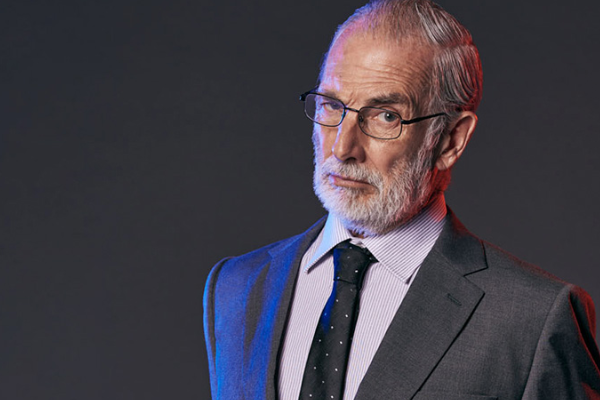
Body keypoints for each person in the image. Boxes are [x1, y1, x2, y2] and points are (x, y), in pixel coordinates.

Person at [203, 0, 600, 399]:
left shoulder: (534, 320)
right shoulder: (236, 287)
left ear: (451, 140)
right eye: (332, 106)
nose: (342, 148)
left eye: (385, 116)